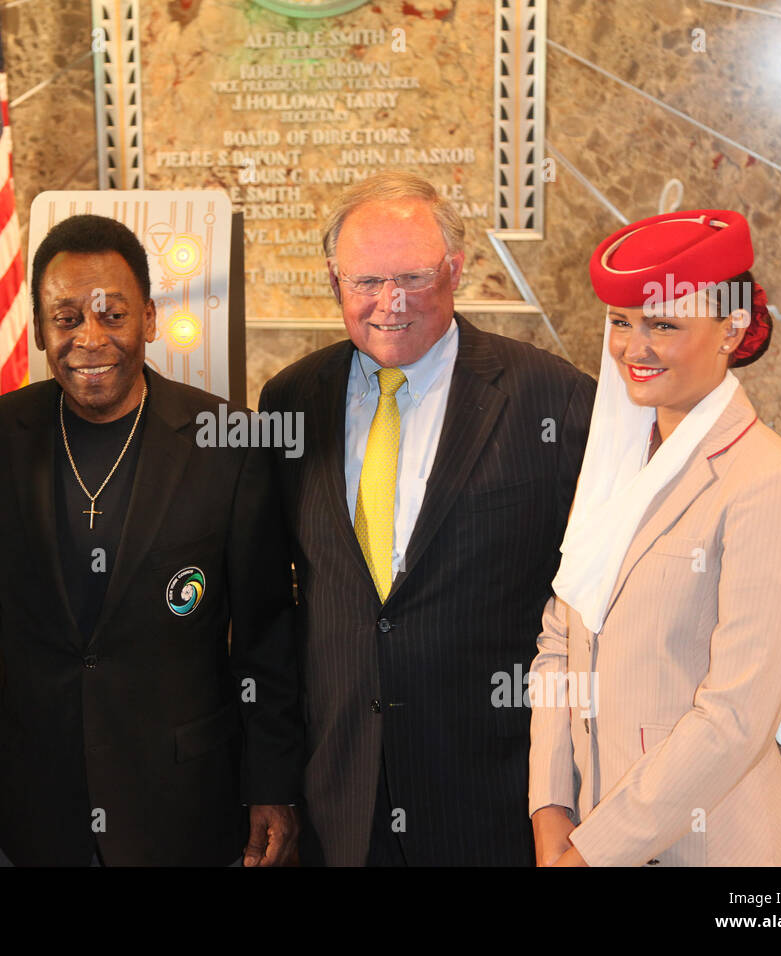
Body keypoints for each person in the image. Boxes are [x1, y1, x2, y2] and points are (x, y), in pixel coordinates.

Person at [258, 171, 595, 865]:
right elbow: (276, 605)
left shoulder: (552, 399)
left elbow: (616, 575)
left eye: (414, 277)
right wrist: (274, 780)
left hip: (495, 803)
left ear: (455, 272)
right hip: (339, 807)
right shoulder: (290, 400)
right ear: (335, 281)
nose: (391, 302)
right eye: (366, 281)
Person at [0, 214, 302, 866]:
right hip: (38, 811)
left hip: (186, 808)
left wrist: (272, 785)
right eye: (66, 319)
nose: (90, 339)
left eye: (112, 316)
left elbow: (266, 635)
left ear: (148, 319)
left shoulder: (231, 443)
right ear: (40, 329)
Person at [529, 209, 781, 866]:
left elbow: (735, 718)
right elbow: (559, 642)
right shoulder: (613, 466)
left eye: (663, 325)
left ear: (733, 329)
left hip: (710, 848)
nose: (633, 348)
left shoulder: (771, 482)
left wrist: (592, 854)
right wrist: (550, 810)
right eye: (620, 322)